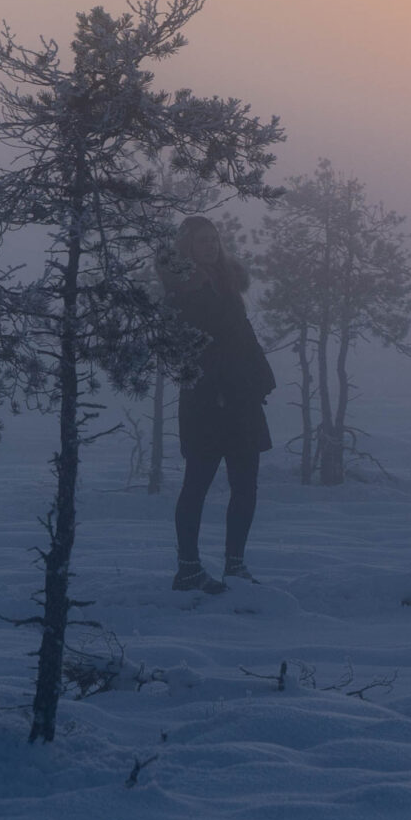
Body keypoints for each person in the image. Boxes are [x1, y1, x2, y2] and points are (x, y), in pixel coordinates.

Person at [162, 214, 276, 593]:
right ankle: (188, 568)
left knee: (246, 487)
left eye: (213, 239)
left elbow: (243, 335)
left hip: (242, 399)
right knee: (197, 485)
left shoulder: (226, 284)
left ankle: (235, 565)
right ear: (187, 248)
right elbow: (192, 348)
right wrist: (219, 385)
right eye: (201, 241)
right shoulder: (183, 290)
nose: (210, 246)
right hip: (207, 402)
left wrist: (261, 377)